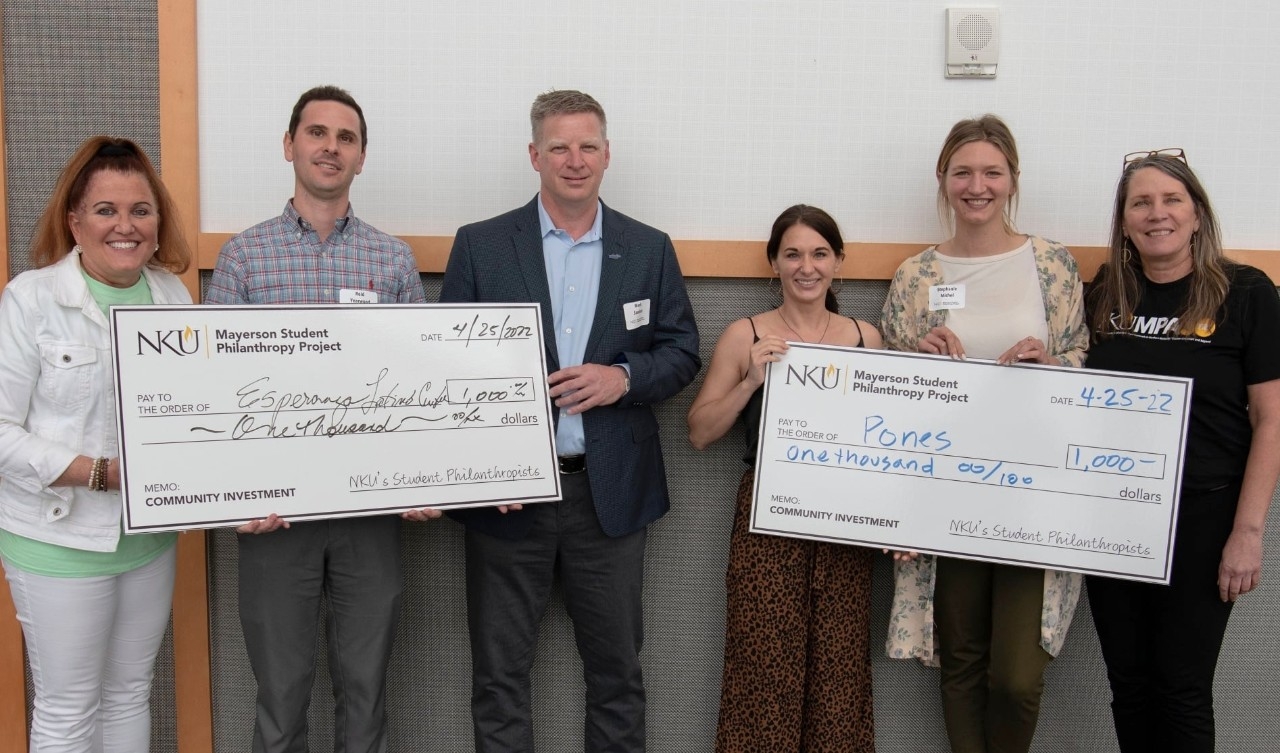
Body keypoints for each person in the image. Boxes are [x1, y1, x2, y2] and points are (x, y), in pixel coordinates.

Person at [440, 89, 700, 753]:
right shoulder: (482, 246)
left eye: (587, 146)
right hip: (507, 496)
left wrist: (624, 378)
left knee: (617, 674)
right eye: (559, 146)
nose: (574, 159)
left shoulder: (649, 249)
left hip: (607, 495)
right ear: (535, 155)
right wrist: (475, 468)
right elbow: (445, 369)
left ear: (607, 154)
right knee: (499, 677)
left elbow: (681, 352)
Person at [205, 85, 430, 753]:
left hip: (370, 514)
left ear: (362, 157)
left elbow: (419, 388)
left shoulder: (391, 261)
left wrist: (425, 479)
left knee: (366, 690)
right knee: (280, 693)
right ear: (289, 146)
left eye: (347, 137)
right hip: (276, 514)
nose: (331, 146)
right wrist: (233, 496)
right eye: (317, 132)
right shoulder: (245, 258)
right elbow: (216, 390)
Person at [880, 114, 1087, 753]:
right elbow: (889, 388)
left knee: (1017, 676)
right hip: (948, 494)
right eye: (963, 172)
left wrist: (1053, 366)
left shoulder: (1050, 263)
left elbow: (1082, 359)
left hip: (1033, 496)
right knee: (961, 658)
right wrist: (919, 355)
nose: (977, 185)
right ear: (942, 181)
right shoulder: (916, 276)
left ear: (1012, 180)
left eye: (991, 172)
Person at [0, 136, 192, 751]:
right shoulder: (30, 299)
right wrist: (100, 473)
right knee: (67, 711)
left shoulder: (173, 297)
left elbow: (193, 418)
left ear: (159, 224)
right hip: (58, 540)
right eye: (106, 210)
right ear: (74, 221)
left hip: (147, 542)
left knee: (130, 693)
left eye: (141, 210)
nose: (126, 225)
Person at [1084, 150, 1280, 752]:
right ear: (1123, 221)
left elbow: (1270, 418)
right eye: (1140, 203)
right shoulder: (1102, 295)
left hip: (1204, 515)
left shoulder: (1246, 292)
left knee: (1184, 686)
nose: (1157, 214)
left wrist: (1247, 532)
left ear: (1197, 213)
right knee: (1130, 684)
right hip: (1113, 514)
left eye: (1172, 200)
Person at [686, 205, 881, 753]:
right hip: (766, 521)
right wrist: (750, 380)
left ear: (839, 262)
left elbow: (888, 443)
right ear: (774, 262)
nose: (806, 266)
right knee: (763, 674)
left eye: (819, 254)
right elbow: (699, 432)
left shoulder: (868, 338)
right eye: (792, 254)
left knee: (839, 677)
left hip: (846, 522)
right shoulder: (745, 334)